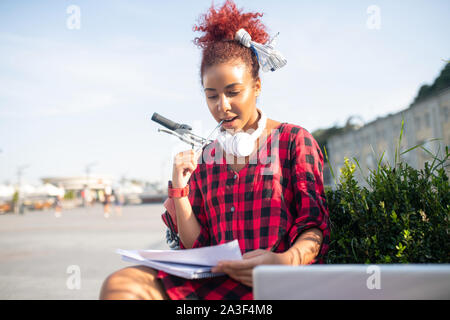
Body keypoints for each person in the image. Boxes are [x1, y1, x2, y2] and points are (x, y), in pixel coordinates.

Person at [100, 0, 330, 300]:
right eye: (211, 96)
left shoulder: (294, 141)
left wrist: (284, 261)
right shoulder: (207, 158)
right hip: (215, 284)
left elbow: (315, 224)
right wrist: (180, 192)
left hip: (275, 284)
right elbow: (196, 248)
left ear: (257, 86)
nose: (222, 106)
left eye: (233, 92)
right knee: (120, 287)